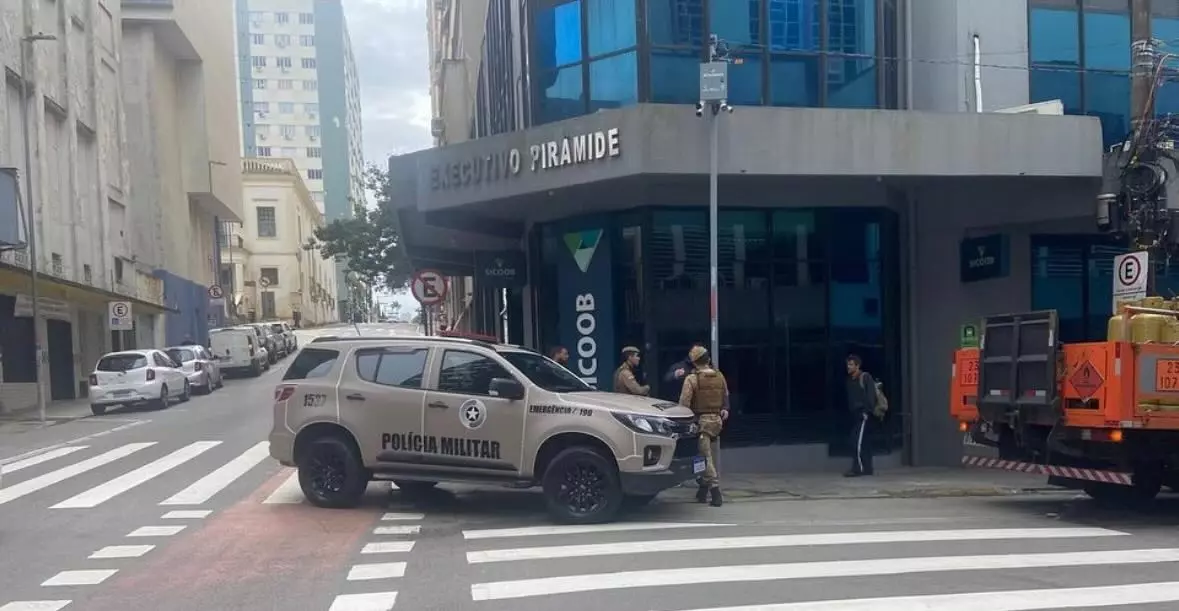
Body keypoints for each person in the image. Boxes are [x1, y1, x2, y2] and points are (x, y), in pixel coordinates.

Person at [679, 345, 729, 507]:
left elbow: (684, 403)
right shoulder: (719, 375)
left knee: (705, 457)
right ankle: (702, 491)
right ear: (707, 359)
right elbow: (725, 396)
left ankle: (715, 492)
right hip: (717, 421)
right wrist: (724, 409)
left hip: (701, 422)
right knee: (708, 456)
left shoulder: (692, 379)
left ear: (694, 362)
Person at [845, 354, 878, 477]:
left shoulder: (865, 377)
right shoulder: (850, 380)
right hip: (855, 415)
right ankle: (868, 468)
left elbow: (871, 396)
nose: (848, 367)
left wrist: (866, 411)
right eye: (848, 364)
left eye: (851, 364)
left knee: (855, 442)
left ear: (857, 366)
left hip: (864, 415)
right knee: (864, 442)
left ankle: (858, 468)